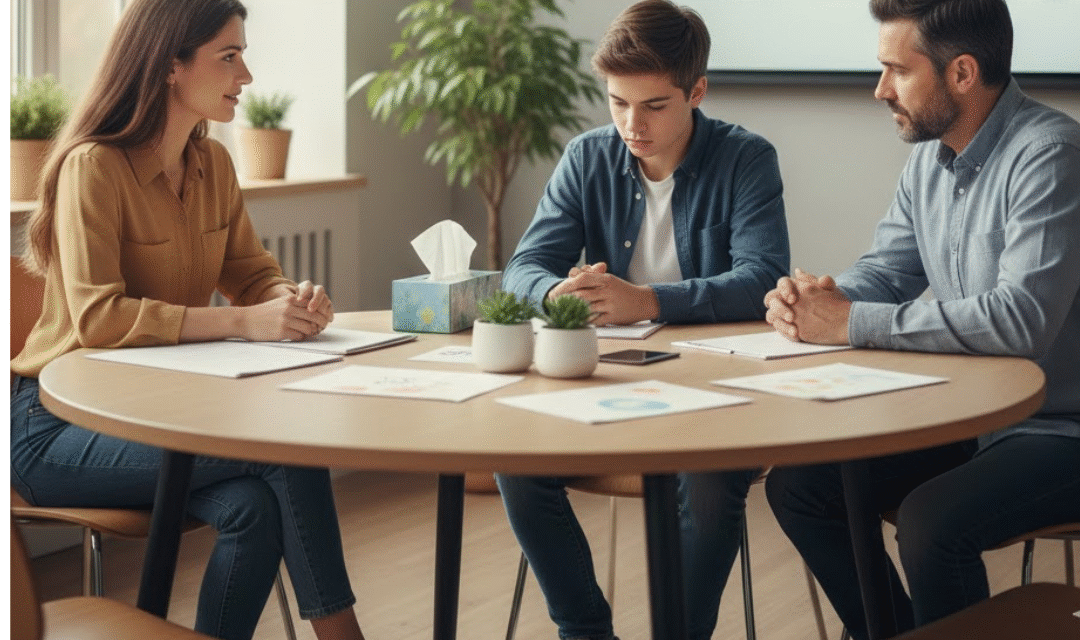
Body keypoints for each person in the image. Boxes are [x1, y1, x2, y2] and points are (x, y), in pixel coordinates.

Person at [9, 1, 367, 639]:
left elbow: (251, 273)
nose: (246, 75)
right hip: (55, 426)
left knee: (252, 509)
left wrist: (291, 301)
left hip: (160, 417)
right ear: (169, 64)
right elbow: (97, 318)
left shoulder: (215, 166)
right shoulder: (93, 167)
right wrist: (241, 325)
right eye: (229, 56)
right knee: (283, 457)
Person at [762, 0, 1080, 638]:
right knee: (801, 489)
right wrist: (815, 301)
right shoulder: (929, 163)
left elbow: (1021, 319)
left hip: (1058, 429)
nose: (879, 90)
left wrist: (849, 322)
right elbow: (884, 273)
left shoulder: (1051, 155)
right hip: (972, 418)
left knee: (931, 522)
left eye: (895, 71)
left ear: (962, 73)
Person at [495, 1, 790, 638]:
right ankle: (584, 629)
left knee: (711, 484)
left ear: (697, 91)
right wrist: (558, 293)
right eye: (618, 102)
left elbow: (763, 278)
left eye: (654, 105)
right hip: (611, 381)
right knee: (512, 458)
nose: (633, 124)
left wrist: (651, 302)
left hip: (719, 386)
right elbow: (522, 268)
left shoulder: (746, 159)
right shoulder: (586, 157)